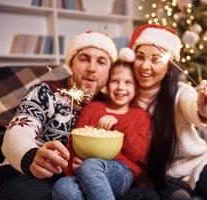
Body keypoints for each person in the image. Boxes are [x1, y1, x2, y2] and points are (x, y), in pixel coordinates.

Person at [122, 24, 207, 200]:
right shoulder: (126, 97)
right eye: (140, 58)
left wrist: (205, 112)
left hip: (198, 163)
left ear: (169, 65)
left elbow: (193, 107)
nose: (145, 66)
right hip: (166, 178)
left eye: (155, 59)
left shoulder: (180, 92)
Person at [0, 31, 119, 200]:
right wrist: (31, 157)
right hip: (27, 174)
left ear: (110, 71)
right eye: (84, 59)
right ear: (71, 63)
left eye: (101, 62)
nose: (92, 68)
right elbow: (18, 131)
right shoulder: (45, 91)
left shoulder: (110, 103)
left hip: (79, 179)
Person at [52, 58, 151, 200]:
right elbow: (75, 142)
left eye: (128, 82)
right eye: (115, 81)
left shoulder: (140, 116)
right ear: (106, 85)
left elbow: (137, 154)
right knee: (63, 187)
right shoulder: (93, 109)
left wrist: (117, 128)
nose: (120, 87)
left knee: (90, 165)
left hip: (121, 172)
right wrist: (72, 163)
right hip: (83, 171)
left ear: (136, 87)